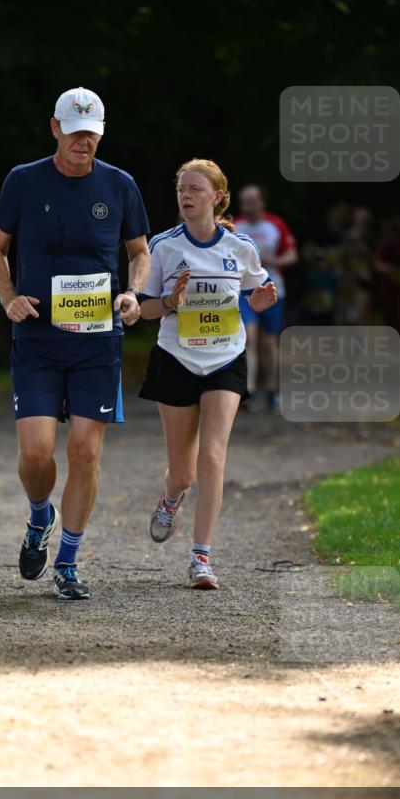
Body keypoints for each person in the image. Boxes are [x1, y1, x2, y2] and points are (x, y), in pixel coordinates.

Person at [0, 87, 150, 602]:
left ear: (101, 133)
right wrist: (8, 297)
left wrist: (132, 293)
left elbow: (140, 252)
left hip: (97, 341)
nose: (83, 142)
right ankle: (40, 517)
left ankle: (68, 562)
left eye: (91, 134)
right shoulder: (23, 180)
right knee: (36, 454)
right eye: (75, 132)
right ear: (55, 128)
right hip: (37, 336)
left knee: (84, 450)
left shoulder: (119, 184)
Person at [139, 159, 277, 589]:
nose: (186, 195)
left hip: (225, 360)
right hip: (176, 359)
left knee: (213, 455)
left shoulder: (241, 247)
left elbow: (255, 292)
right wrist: (171, 303)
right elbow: (144, 310)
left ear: (217, 197)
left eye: (195, 189)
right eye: (182, 189)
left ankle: (201, 557)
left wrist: (259, 302)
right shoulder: (163, 246)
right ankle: (171, 497)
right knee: (184, 473)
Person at [235, 185, 296, 412]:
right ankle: (248, 392)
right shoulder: (235, 226)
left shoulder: (275, 224)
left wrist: (274, 262)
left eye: (251, 202)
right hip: (244, 291)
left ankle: (271, 390)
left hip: (272, 288)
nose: (247, 207)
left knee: (268, 342)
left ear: (261, 203)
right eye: (244, 202)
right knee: (248, 338)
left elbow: (292, 255)